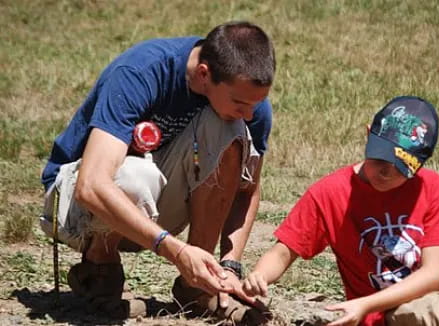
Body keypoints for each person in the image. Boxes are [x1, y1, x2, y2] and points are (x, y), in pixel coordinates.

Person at [39, 21, 275, 322]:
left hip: (152, 208)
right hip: (72, 207)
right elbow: (91, 185)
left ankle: (198, 284)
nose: (252, 113)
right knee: (136, 177)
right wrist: (174, 250)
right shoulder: (141, 71)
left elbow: (247, 190)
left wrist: (229, 267)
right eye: (241, 103)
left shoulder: (248, 102)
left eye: (256, 103)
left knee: (230, 128)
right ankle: (100, 268)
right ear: (204, 74)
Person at [242, 95, 439, 326]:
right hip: (392, 308)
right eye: (379, 159)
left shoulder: (431, 186)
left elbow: (434, 273)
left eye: (399, 169)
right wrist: (259, 276)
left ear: (420, 164)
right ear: (367, 135)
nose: (385, 173)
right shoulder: (329, 193)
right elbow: (282, 252)